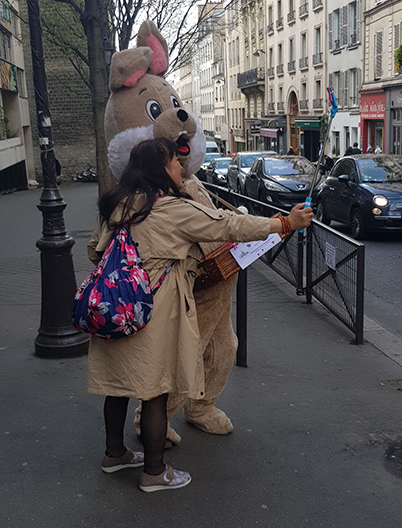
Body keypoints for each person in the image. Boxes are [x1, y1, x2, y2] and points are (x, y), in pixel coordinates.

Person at [87, 138, 313, 492]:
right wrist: (286, 223)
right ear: (160, 169)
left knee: (117, 389)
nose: (181, 167)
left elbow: (93, 250)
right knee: (155, 393)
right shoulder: (171, 210)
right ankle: (155, 472)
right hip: (152, 316)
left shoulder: (117, 205)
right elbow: (228, 226)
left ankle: (114, 455)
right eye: (175, 162)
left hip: (114, 310)